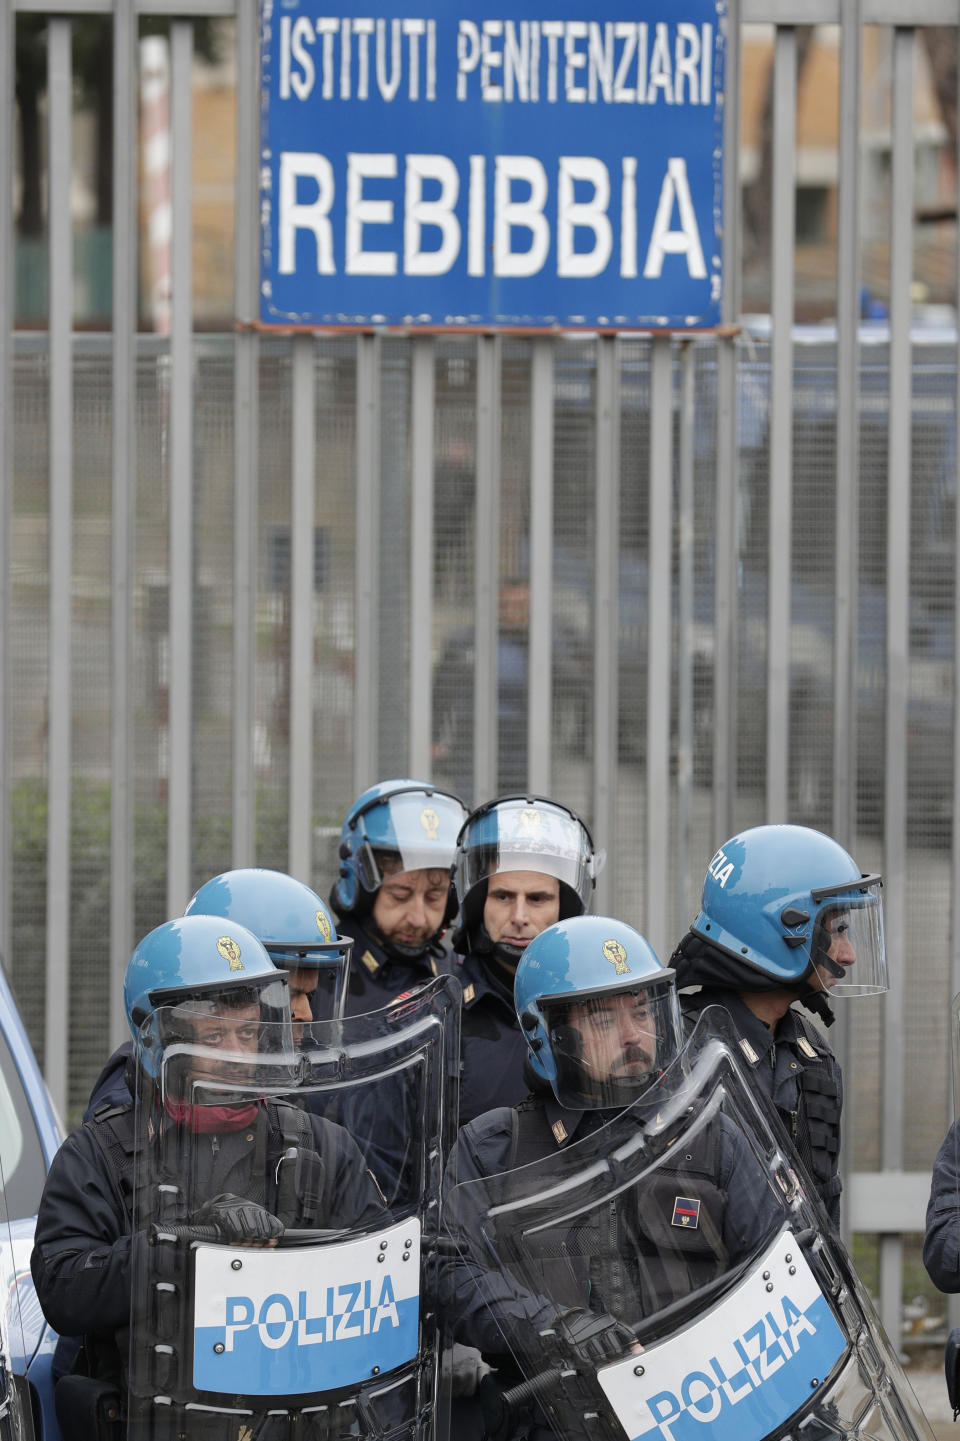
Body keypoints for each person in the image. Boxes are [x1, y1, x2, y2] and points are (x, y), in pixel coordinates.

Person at [31, 914, 383, 1434]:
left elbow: (376, 1280)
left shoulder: (321, 1144)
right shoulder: (99, 1153)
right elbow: (62, 1290)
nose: (239, 1055)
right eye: (215, 1036)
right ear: (157, 1040)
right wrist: (179, 1244)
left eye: (248, 1033)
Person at [444, 915, 780, 1441]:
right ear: (545, 1034)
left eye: (642, 1011)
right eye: (604, 1020)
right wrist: (550, 1326)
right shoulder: (495, 1147)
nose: (634, 1036)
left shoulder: (710, 1137)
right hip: (551, 1421)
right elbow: (449, 1274)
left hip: (700, 1418)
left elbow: (777, 1271)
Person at [670, 823, 888, 1226]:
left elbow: (823, 1219)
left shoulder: (813, 1055)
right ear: (782, 928)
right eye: (837, 929)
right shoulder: (674, 1050)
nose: (850, 953)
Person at [82, 868, 351, 1119]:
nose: (307, 1014)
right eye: (287, 994)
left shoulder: (278, 1078)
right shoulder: (135, 1104)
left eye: (310, 996)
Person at [450, 794, 599, 1125]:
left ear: (566, 908)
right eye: (502, 896)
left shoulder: (602, 1008)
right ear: (477, 904)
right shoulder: (438, 1010)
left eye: (538, 898)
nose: (519, 916)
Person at [330, 778, 468, 1016]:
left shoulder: (462, 979)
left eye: (434, 897)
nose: (418, 919)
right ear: (361, 890)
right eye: (400, 895)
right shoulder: (317, 979)